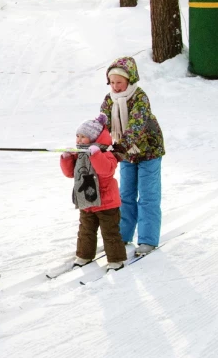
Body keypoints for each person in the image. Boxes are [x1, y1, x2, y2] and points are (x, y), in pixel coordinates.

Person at [99, 56, 165, 256]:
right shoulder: (109, 99)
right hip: (127, 154)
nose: (116, 86)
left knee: (147, 197)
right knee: (125, 196)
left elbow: (136, 127)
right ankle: (122, 235)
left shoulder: (140, 97)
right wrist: (92, 142)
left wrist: (119, 148)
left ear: (130, 80)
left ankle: (147, 239)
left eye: (120, 82)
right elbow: (103, 125)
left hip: (149, 151)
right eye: (112, 82)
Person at [60, 114, 127, 271]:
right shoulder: (81, 153)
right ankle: (84, 255)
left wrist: (95, 154)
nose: (79, 140)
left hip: (106, 203)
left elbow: (105, 171)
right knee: (85, 231)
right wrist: (66, 158)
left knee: (110, 232)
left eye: (83, 137)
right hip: (87, 200)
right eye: (78, 136)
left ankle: (116, 260)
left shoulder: (106, 153)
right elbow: (71, 174)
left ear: (93, 138)